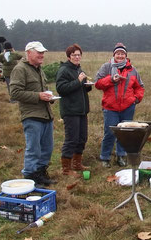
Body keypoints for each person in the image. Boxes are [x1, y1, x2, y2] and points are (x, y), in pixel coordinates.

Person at [9, 41, 56, 187]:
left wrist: (49, 97)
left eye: (43, 52)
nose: (42, 55)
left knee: (47, 148)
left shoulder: (39, 69)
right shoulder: (20, 69)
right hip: (31, 115)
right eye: (39, 52)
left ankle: (40, 174)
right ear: (29, 53)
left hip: (46, 114)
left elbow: (43, 90)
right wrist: (38, 96)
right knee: (33, 149)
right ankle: (29, 177)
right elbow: (15, 93)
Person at [95, 43, 145, 168]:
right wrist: (111, 79)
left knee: (125, 133)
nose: (120, 56)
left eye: (122, 54)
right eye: (118, 53)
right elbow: (98, 83)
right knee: (110, 133)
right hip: (110, 107)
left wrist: (136, 99)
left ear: (126, 56)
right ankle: (105, 158)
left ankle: (121, 156)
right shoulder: (106, 67)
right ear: (114, 55)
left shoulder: (132, 70)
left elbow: (140, 86)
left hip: (128, 107)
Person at [56, 44, 91, 178]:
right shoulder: (64, 70)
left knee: (82, 138)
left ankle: (77, 164)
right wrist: (78, 81)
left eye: (78, 55)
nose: (77, 57)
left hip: (82, 110)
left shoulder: (78, 69)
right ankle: (66, 169)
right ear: (69, 56)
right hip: (70, 110)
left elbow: (79, 87)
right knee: (72, 139)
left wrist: (86, 85)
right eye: (74, 55)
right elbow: (61, 88)